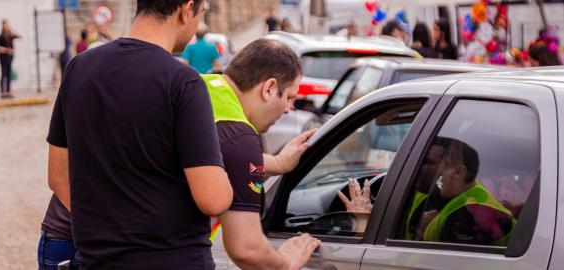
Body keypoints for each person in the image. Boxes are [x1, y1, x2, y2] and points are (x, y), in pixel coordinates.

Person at [44, 0, 234, 269]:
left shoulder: (79, 68)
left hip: (98, 261)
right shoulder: (184, 82)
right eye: (202, 12)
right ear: (186, 8)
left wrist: (108, 228)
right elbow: (213, 199)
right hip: (173, 260)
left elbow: (58, 176)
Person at [201, 38, 321, 269]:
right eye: (289, 98)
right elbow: (247, 250)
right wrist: (287, 262)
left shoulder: (199, 87)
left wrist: (276, 162)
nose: (288, 109)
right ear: (269, 88)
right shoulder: (238, 134)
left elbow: (214, 155)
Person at [340, 137, 515, 245]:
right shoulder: (432, 193)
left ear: (457, 173)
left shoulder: (474, 215)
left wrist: (362, 227)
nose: (417, 168)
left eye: (428, 163)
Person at [0, 19, 21, 99]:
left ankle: (8, 91)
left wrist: (12, 31)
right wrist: (8, 50)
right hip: (3, 58)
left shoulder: (10, 35)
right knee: (3, 74)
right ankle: (3, 92)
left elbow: (20, 36)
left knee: (8, 74)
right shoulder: (0, 37)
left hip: (9, 58)